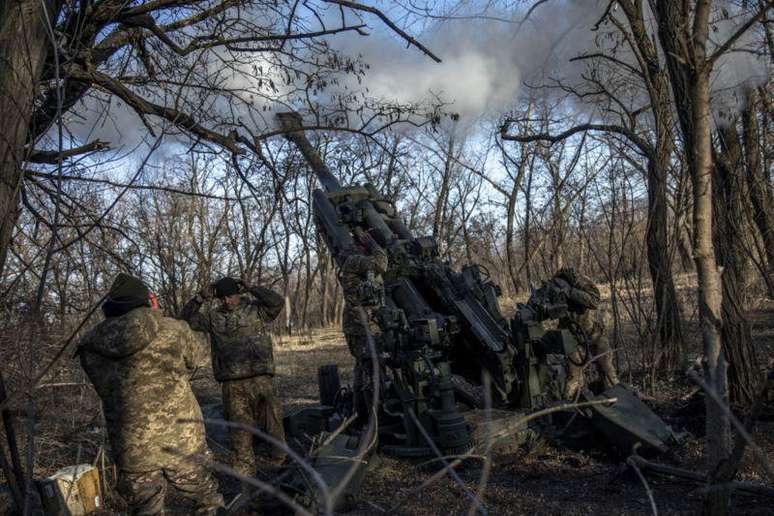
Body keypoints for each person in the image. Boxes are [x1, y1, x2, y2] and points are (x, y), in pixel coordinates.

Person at [77, 273, 223, 515]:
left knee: (146, 509)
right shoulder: (173, 330)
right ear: (146, 301)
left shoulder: (90, 344)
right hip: (182, 439)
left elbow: (103, 387)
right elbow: (199, 357)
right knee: (207, 500)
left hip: (132, 448)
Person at [181, 277, 285, 483]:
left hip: (261, 378)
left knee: (272, 421)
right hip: (232, 383)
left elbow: (277, 302)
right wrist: (200, 297)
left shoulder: (256, 309)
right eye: (222, 298)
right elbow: (185, 319)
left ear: (238, 294)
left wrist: (252, 288)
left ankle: (280, 462)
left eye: (230, 296)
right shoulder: (213, 317)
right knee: (239, 427)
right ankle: (245, 468)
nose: (227, 301)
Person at [545, 268, 620, 397]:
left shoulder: (581, 282)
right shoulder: (553, 287)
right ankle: (574, 400)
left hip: (593, 334)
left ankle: (616, 397)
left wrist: (570, 291)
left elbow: (594, 301)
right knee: (575, 377)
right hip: (571, 338)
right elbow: (546, 309)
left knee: (608, 370)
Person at [338, 240, 388, 425]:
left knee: (363, 368)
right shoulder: (354, 261)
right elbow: (381, 264)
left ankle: (361, 416)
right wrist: (374, 244)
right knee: (373, 371)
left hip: (357, 325)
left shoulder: (351, 264)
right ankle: (376, 420)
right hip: (363, 325)